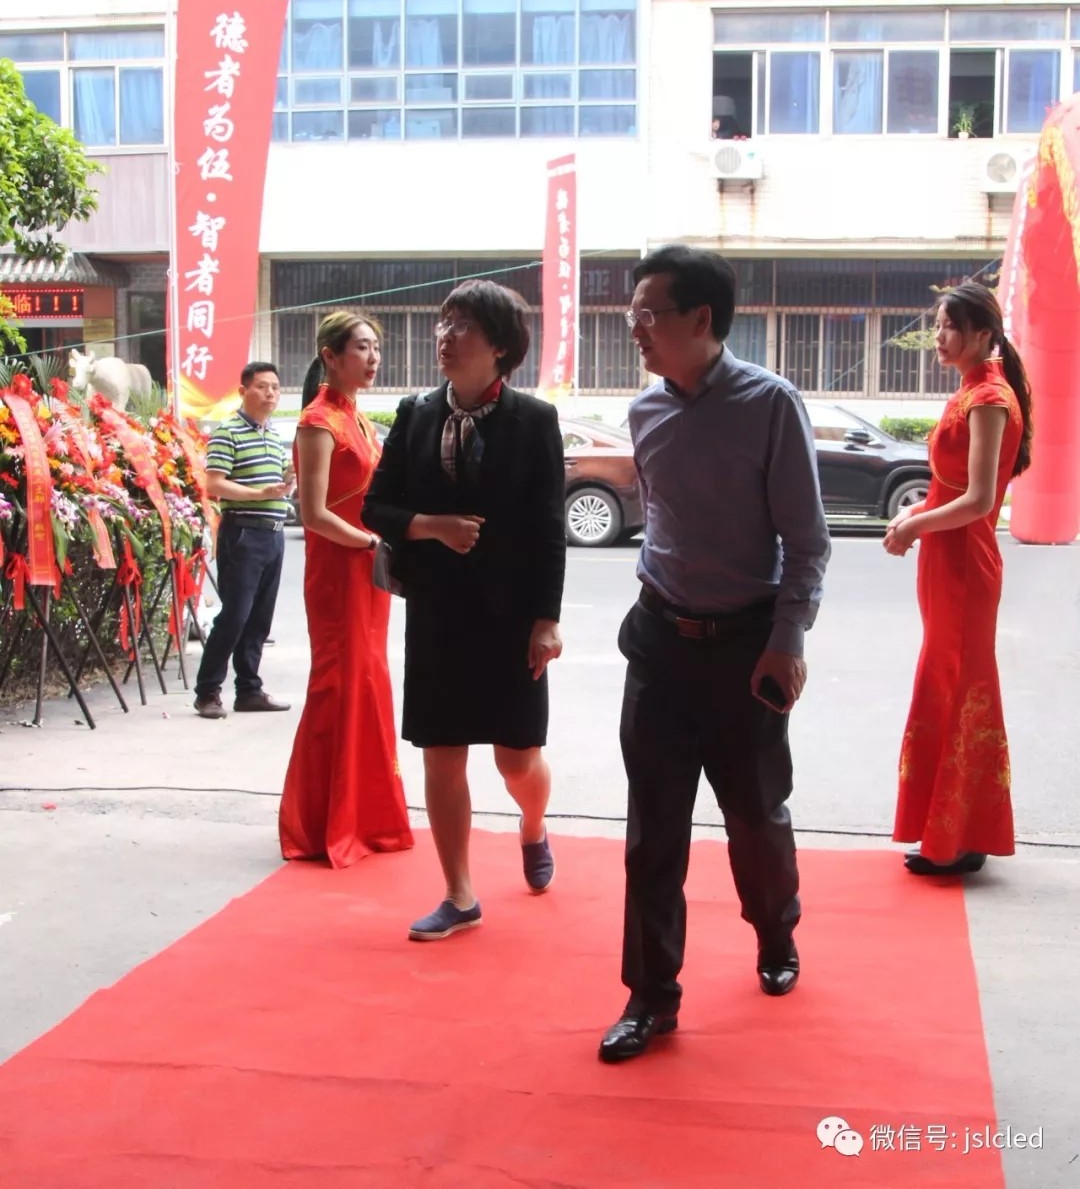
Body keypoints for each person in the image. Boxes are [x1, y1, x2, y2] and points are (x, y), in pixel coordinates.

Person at [597, 245, 831, 1065]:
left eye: (648, 314)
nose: (634, 327)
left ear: (701, 318)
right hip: (659, 641)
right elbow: (663, 519)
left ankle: (775, 929)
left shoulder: (770, 405)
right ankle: (650, 994)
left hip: (745, 649)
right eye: (632, 313)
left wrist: (787, 639)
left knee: (755, 816)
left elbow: (806, 541)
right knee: (652, 829)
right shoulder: (644, 411)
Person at [363, 280, 566, 941]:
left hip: (511, 616)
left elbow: (548, 527)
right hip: (438, 613)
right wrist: (430, 526)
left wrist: (547, 618)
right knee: (441, 753)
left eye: (462, 327)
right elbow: (376, 506)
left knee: (517, 760)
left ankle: (533, 824)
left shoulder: (534, 420)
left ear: (500, 346)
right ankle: (459, 893)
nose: (445, 337)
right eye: (443, 323)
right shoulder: (416, 412)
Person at [884, 282, 1032, 876]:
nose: (939, 337)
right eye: (939, 325)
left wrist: (915, 525)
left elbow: (978, 500)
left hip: (965, 563)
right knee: (947, 684)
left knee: (961, 687)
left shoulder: (989, 398)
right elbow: (950, 490)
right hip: (945, 560)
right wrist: (915, 515)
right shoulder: (970, 391)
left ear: (982, 333)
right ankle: (952, 833)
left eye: (949, 327)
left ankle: (962, 838)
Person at [278, 313, 414, 868]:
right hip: (339, 570)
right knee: (339, 686)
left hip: (368, 567)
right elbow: (312, 514)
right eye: (362, 347)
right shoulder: (317, 422)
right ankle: (319, 823)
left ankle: (366, 815)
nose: (373, 357)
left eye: (376, 347)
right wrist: (370, 543)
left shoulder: (358, 418)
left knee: (368, 684)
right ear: (331, 357)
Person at [194, 362, 293, 719]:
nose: (270, 393)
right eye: (262, 386)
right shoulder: (228, 432)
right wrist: (259, 494)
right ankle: (207, 692)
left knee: (260, 619)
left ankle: (249, 690)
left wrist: (287, 482)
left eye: (275, 388)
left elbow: (275, 484)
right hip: (243, 532)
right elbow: (215, 483)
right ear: (243, 391)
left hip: (274, 533)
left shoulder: (274, 434)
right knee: (235, 615)